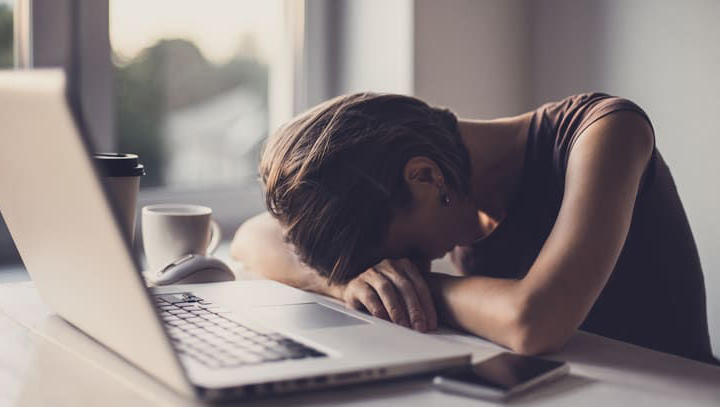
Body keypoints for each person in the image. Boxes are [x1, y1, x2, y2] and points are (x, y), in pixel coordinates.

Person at [231, 92, 716, 364]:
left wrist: (418, 288)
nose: (408, 268)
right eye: (403, 266)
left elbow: (535, 321)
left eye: (407, 254)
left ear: (425, 177)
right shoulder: (386, 172)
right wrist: (345, 281)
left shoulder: (606, 133)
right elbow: (252, 237)